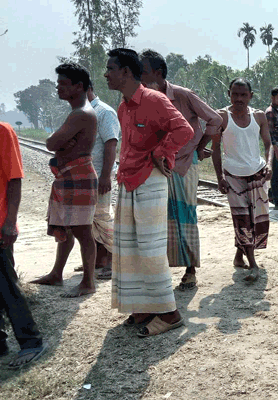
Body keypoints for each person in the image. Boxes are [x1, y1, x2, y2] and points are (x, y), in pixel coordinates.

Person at [105, 48, 191, 337]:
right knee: (129, 247)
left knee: (152, 250)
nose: (106, 74)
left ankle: (170, 314)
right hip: (128, 181)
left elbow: (184, 130)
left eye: (111, 69)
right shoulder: (122, 107)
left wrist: (162, 151)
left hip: (150, 181)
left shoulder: (155, 100)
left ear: (126, 73)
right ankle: (143, 307)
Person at [140, 49, 223, 290]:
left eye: (143, 72)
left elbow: (215, 119)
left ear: (157, 73)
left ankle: (190, 270)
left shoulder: (183, 96)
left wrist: (199, 146)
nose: (140, 78)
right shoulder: (143, 99)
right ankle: (160, 271)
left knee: (185, 216)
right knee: (158, 219)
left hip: (183, 165)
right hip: (154, 167)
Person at [30, 63, 99, 298]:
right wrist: (59, 142)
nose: (58, 88)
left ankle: (89, 281)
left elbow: (50, 143)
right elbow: (55, 142)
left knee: (82, 230)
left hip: (77, 177)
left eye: (63, 83)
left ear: (79, 86)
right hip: (69, 176)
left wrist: (58, 141)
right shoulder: (77, 112)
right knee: (67, 228)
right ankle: (57, 274)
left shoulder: (81, 114)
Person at [212, 78, 273, 281]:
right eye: (235, 94)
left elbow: (268, 144)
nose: (239, 99)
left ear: (251, 96)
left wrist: (269, 164)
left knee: (258, 220)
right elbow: (216, 150)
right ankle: (253, 265)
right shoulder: (222, 116)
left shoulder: (259, 116)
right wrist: (220, 175)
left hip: (257, 173)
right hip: (233, 176)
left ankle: (239, 257)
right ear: (229, 94)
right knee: (242, 220)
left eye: (243, 95)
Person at [0, 122, 46, 368]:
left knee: (7, 286)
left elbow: (15, 179)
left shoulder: (3, 132)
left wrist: (9, 222)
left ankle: (31, 341)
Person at [82, 81, 119, 280]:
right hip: (86, 175)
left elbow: (111, 144)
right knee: (90, 220)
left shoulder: (104, 112)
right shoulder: (83, 112)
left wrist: (105, 176)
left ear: (85, 87)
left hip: (99, 174)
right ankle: (98, 260)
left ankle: (115, 261)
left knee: (104, 218)